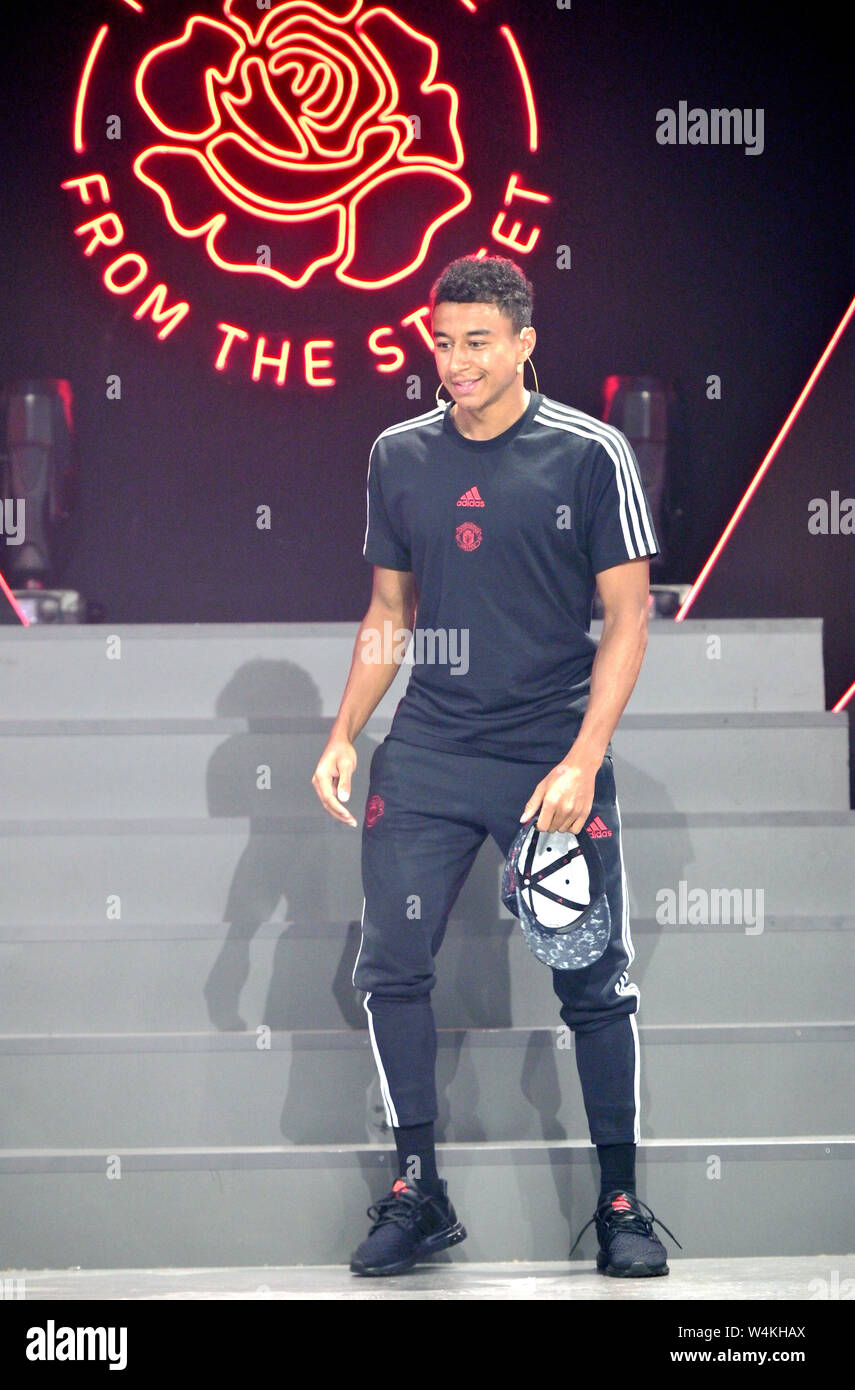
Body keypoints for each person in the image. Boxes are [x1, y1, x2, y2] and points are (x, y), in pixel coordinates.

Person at [312, 254, 678, 1279]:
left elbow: (629, 616)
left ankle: (619, 1203)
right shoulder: (398, 454)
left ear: (523, 343)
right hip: (427, 747)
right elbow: (391, 615)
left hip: (545, 753)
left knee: (593, 980)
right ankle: (418, 1190)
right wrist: (345, 732)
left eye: (478, 341)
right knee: (390, 965)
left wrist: (583, 757)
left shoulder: (588, 453)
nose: (457, 359)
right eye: (443, 341)